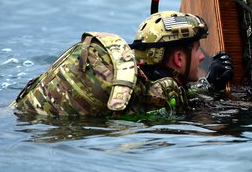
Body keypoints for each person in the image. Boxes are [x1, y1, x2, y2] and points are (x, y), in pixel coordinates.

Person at [13, 10, 234, 120]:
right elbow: (189, 109)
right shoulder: (164, 94)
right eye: (197, 50)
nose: (203, 57)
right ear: (178, 59)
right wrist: (213, 88)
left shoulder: (127, 70)